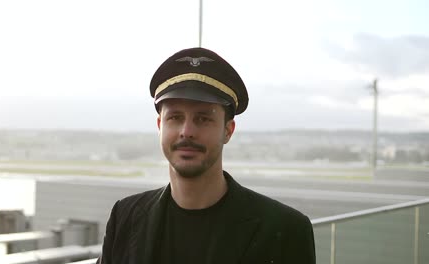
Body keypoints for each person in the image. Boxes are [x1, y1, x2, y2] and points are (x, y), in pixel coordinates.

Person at [97, 47, 315, 264]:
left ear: (228, 130)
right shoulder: (124, 217)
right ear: (159, 126)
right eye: (175, 117)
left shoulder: (285, 231)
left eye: (203, 119)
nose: (187, 131)